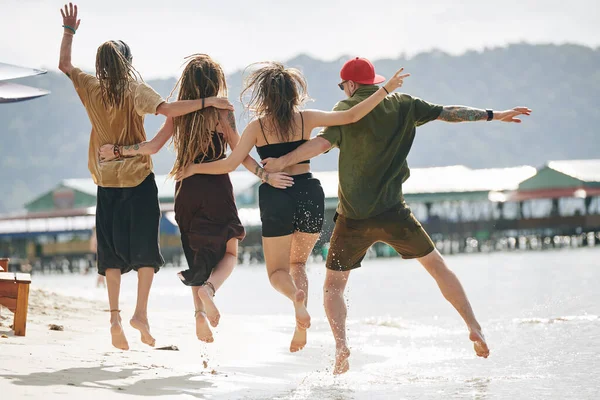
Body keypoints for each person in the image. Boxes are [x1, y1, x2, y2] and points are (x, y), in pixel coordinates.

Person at [262, 56, 532, 374]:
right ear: (373, 83)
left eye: (343, 85)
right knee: (438, 267)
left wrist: (281, 162)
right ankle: (473, 326)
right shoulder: (404, 104)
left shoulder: (343, 113)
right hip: (395, 212)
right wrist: (494, 115)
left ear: (350, 85)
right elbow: (450, 113)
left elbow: (319, 145)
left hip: (353, 217)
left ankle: (341, 347)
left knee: (333, 286)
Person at [175, 61, 409, 352]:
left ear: (264, 96)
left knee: (277, 273)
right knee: (298, 263)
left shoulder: (257, 127)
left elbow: (230, 163)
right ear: (292, 93)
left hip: (276, 195)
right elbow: (351, 115)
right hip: (309, 192)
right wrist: (385, 89)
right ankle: (300, 317)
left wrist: (195, 169)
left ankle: (293, 298)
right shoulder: (307, 118)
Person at [58, 3, 233, 350]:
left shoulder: (90, 86)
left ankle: (114, 317)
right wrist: (207, 101)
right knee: (146, 255)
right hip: (138, 182)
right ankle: (141, 313)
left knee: (109, 255)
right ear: (128, 63)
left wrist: (69, 31)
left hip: (105, 184)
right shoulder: (134, 90)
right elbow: (169, 111)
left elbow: (64, 64)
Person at [99, 54, 293, 343]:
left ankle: (199, 315)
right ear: (216, 83)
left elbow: (152, 147)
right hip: (216, 189)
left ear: (187, 85)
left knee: (196, 257)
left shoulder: (178, 114)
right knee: (229, 253)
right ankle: (210, 290)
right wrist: (265, 176)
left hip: (185, 191)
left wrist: (118, 151)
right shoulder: (222, 113)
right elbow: (240, 155)